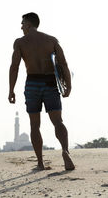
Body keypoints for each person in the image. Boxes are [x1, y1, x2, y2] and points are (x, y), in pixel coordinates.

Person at [8, 12, 75, 171]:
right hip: (50, 83)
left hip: (32, 83)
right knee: (58, 121)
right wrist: (69, 86)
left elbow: (14, 67)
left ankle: (40, 162)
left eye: (23, 23)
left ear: (29, 24)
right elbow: (64, 64)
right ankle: (65, 151)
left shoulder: (20, 42)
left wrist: (11, 90)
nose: (21, 26)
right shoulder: (51, 40)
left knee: (34, 125)